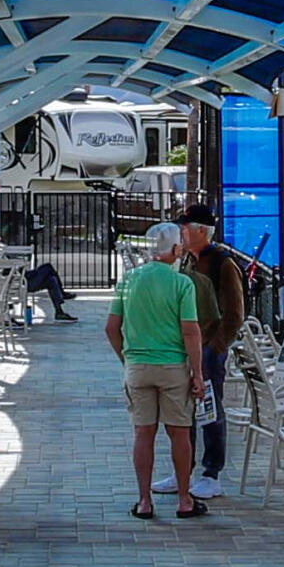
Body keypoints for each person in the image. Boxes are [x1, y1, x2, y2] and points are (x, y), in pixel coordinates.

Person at [106, 222, 204, 519]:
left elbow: (111, 327)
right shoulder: (182, 284)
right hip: (173, 368)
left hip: (138, 367)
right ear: (175, 249)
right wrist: (197, 373)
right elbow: (190, 331)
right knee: (179, 433)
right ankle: (184, 499)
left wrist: (127, 358)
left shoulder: (128, 280)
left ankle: (144, 501)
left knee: (143, 433)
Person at [154, 204, 248, 500]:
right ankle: (184, 470)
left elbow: (234, 313)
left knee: (210, 408)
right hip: (185, 348)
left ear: (201, 231)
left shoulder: (222, 263)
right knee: (183, 410)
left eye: (185, 228)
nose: (181, 232)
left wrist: (215, 347)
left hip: (207, 348)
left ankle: (211, 473)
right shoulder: (187, 260)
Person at [0, 228, 79, 321]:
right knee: (47, 267)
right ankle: (62, 294)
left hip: (18, 278)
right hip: (18, 281)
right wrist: (17, 265)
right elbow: (4, 267)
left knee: (51, 280)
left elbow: (6, 263)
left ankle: (59, 312)